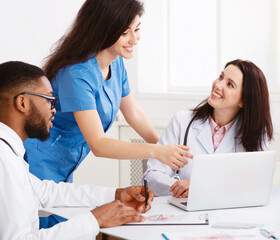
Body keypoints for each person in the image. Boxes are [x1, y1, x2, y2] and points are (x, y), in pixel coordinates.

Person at [24, 0, 192, 185]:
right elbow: (99, 144)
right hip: (38, 162)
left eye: (136, 29)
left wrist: (165, 147)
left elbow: (133, 114)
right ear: (103, 31)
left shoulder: (116, 63)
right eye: (124, 33)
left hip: (65, 164)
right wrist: (157, 151)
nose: (134, 39)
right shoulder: (77, 74)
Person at [0, 61, 154, 239]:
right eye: (49, 100)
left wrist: (117, 194)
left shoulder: (9, 152)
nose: (54, 110)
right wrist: (95, 220)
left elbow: (45, 192)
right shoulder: (4, 160)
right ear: (22, 103)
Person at [143, 59, 274, 197]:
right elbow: (151, 176)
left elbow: (260, 184)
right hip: (184, 212)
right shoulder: (182, 121)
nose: (218, 84)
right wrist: (181, 189)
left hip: (229, 214)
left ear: (244, 100)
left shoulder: (254, 134)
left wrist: (202, 187)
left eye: (230, 84)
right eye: (221, 77)